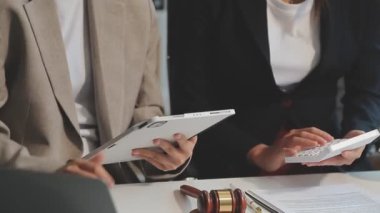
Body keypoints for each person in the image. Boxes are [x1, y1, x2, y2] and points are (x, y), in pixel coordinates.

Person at [170, 0, 380, 178]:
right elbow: (190, 102)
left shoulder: (360, 5)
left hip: (323, 167)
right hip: (228, 163)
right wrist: (257, 152)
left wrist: (356, 134)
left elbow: (367, 88)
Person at [0, 0, 197, 186]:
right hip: (33, 187)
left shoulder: (137, 8)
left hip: (118, 187)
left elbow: (145, 112)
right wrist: (52, 172)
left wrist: (165, 152)